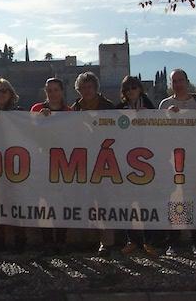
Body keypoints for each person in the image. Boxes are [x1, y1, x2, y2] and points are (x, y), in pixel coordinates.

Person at [159, 69, 196, 256]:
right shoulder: (166, 104)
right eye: (174, 81)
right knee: (176, 199)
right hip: (173, 160)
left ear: (187, 81)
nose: (178, 83)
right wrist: (167, 115)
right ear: (171, 84)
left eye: (180, 80)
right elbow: (157, 129)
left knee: (194, 199)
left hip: (195, 160)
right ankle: (173, 242)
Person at [70, 72, 117, 256]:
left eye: (89, 87)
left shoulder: (109, 107)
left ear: (95, 88)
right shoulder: (74, 109)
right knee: (84, 202)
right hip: (81, 161)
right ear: (78, 90)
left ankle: (107, 243)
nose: (86, 90)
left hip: (105, 160)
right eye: (83, 87)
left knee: (104, 202)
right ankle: (87, 241)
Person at [115, 76, 158, 257]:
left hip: (149, 161)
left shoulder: (151, 108)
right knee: (127, 204)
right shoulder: (117, 110)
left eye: (134, 87)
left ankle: (150, 242)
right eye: (127, 88)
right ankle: (132, 240)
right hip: (125, 163)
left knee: (147, 202)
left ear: (140, 89)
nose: (131, 90)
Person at [0, 78, 27, 251]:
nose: (0, 94)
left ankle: (20, 238)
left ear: (10, 93)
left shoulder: (20, 113)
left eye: (4, 91)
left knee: (18, 200)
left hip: (17, 165)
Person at [30, 77, 70, 254]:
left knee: (62, 203)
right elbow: (28, 132)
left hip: (64, 164)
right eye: (49, 90)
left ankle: (61, 240)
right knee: (44, 204)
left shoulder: (70, 113)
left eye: (55, 90)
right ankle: (47, 241)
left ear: (62, 91)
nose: (52, 93)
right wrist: (39, 120)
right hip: (42, 162)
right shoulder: (36, 110)